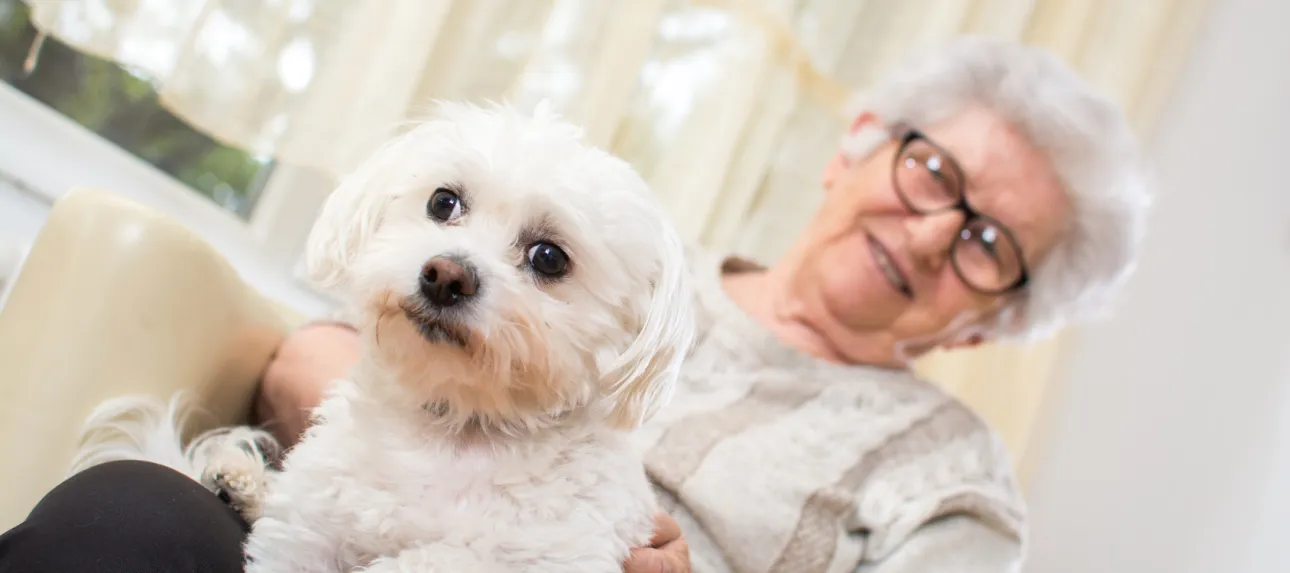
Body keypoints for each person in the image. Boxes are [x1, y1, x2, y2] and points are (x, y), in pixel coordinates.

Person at [0, 37, 1148, 573]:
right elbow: (332, 344)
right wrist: (390, 420)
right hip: (348, 520)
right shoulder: (614, 245)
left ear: (994, 321)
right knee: (128, 520)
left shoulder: (951, 477)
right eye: (934, 172)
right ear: (856, 144)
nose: (934, 230)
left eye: (992, 244)